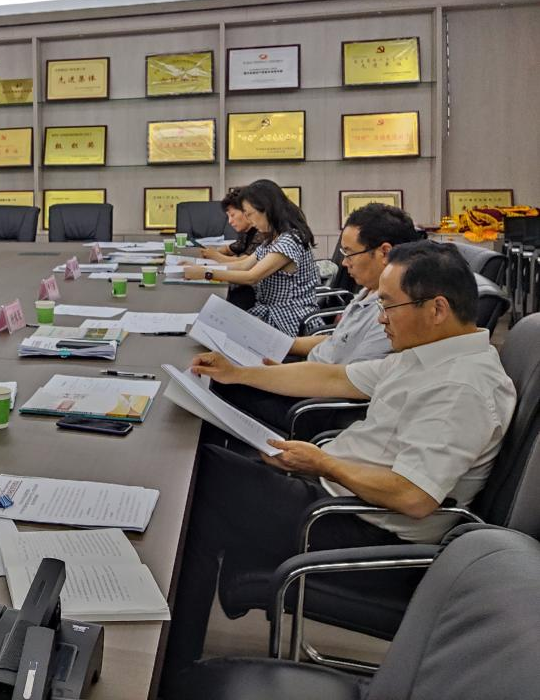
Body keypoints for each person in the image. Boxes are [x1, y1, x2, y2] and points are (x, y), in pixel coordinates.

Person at [161, 240, 515, 686]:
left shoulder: (462, 387)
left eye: (389, 305)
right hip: (338, 497)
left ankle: (171, 669)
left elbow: (414, 496)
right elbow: (334, 376)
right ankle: (176, 662)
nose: (381, 318)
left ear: (437, 308)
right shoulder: (431, 355)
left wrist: (324, 464)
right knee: (205, 470)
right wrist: (239, 373)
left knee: (200, 482)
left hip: (360, 529)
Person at [220, 202, 427, 431]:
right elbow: (339, 339)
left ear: (384, 252)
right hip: (309, 374)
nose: (344, 263)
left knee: (221, 385)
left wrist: (257, 374)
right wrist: (274, 344)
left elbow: (342, 380)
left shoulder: (392, 313)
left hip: (316, 403)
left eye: (349, 253)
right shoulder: (369, 290)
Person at [182, 180, 316, 336]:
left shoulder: (290, 240)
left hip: (288, 319)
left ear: (266, 209)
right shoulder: (273, 238)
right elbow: (244, 265)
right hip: (270, 313)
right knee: (208, 325)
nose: (250, 220)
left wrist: (206, 273)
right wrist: (201, 267)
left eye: (250, 214)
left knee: (212, 330)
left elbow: (251, 277)